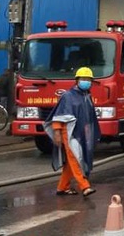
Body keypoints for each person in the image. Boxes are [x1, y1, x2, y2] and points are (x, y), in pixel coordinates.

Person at [44, 67, 100, 197]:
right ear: (77, 80)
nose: (86, 81)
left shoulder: (87, 97)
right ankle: (84, 186)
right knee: (75, 158)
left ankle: (62, 187)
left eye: (89, 79)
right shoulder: (67, 96)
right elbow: (59, 115)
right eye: (83, 79)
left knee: (70, 162)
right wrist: (57, 132)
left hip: (81, 133)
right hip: (68, 133)